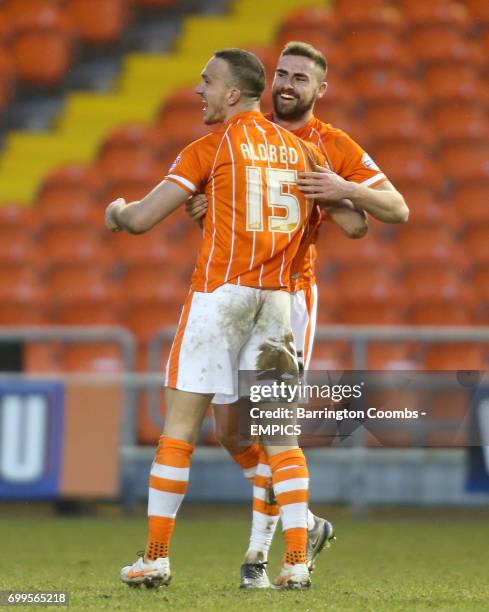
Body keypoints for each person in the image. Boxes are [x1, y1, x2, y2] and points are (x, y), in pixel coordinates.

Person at [105, 47, 366, 591]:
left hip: (220, 297)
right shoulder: (302, 152)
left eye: (206, 82)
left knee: (179, 428)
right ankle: (296, 561)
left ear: (231, 93)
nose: (197, 91)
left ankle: (155, 557)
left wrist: (117, 212)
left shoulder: (208, 147)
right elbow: (351, 223)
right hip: (276, 303)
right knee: (279, 437)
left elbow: (142, 219)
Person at [186, 41, 409, 589]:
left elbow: (394, 210)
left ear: (320, 90)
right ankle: (304, 520)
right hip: (235, 295)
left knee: (271, 424)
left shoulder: (330, 144)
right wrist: (206, 213)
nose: (287, 84)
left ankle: (260, 558)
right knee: (231, 432)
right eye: (281, 74)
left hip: (289, 297)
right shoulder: (240, 134)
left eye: (300, 78)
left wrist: (341, 187)